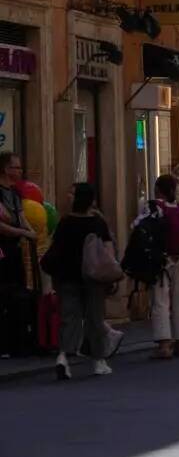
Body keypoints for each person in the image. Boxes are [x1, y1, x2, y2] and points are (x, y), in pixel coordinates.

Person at [45, 183, 115, 379]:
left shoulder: (65, 222)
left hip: (67, 276)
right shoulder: (97, 223)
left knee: (69, 317)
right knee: (95, 318)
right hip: (92, 277)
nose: (69, 196)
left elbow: (55, 248)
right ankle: (98, 361)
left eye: (72, 194)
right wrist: (110, 273)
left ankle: (63, 357)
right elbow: (108, 249)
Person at [133, 175, 179, 360]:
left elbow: (137, 226)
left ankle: (164, 344)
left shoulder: (153, 206)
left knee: (160, 300)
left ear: (158, 190)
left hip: (162, 260)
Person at [0, 152, 36, 356]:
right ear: (6, 169)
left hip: (14, 249)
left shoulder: (14, 194)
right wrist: (24, 232)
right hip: (2, 247)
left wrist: (31, 233)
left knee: (17, 291)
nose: (20, 171)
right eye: (17, 167)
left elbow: (20, 218)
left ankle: (16, 340)